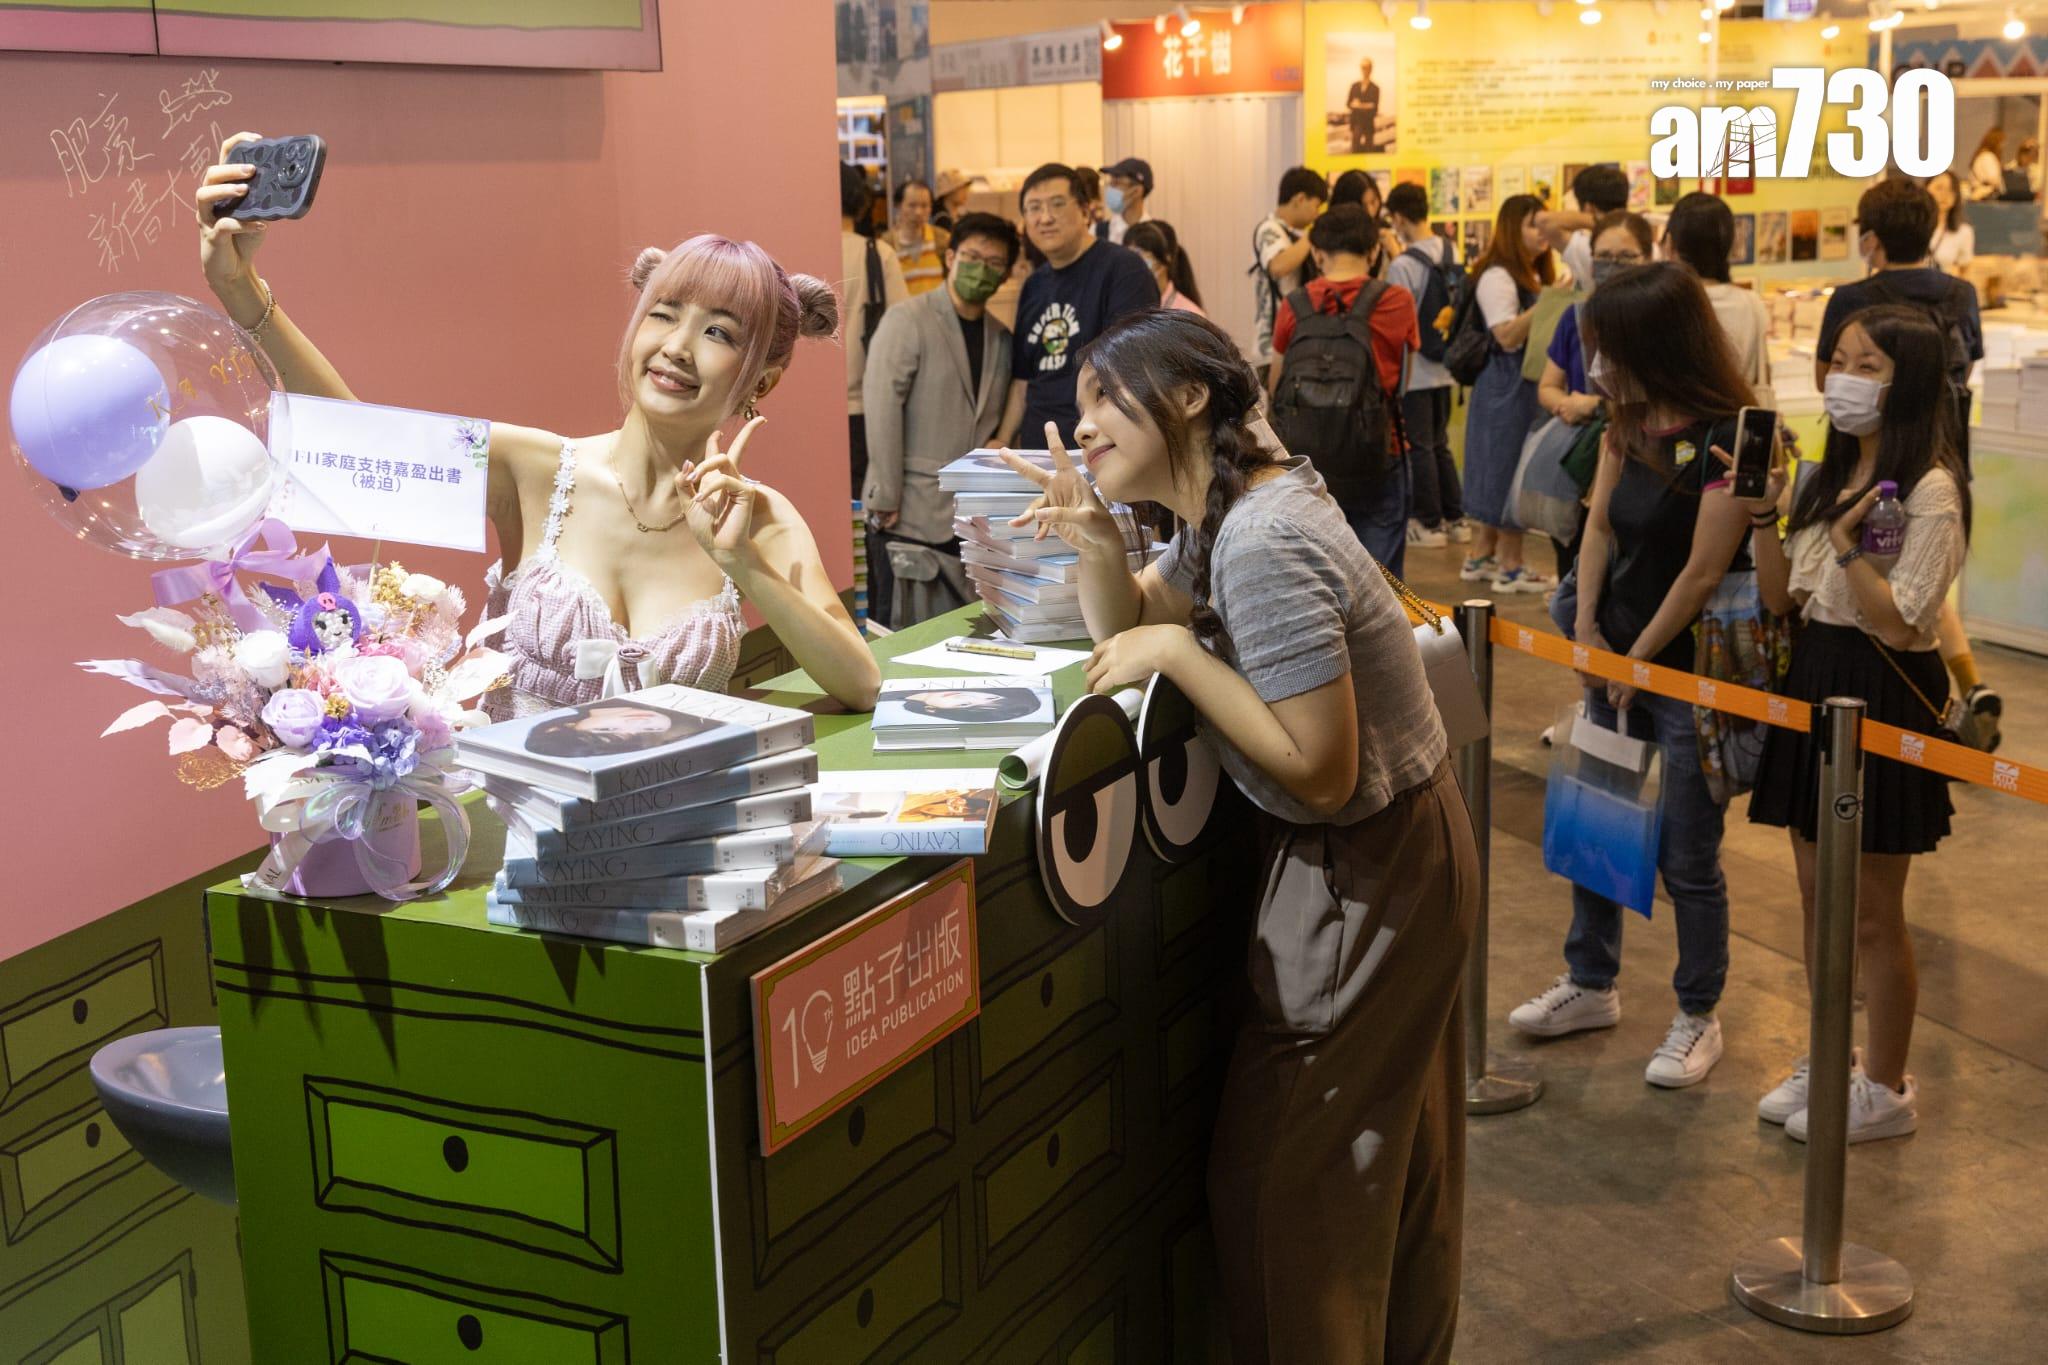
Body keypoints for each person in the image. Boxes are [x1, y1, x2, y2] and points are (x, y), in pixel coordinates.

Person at [1004, 308, 1476, 1364]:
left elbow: (1319, 767)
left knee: (1286, 1187)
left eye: (1100, 401)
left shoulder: (1261, 536)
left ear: (1183, 400)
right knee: (1376, 1165)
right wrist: (1094, 539)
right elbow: (1126, 619)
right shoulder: (1230, 505)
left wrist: (1178, 653)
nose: (1079, 428)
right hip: (1391, 851)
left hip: (1366, 863)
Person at [197, 135, 881, 716]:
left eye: (718, 331)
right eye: (665, 312)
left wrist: (743, 564)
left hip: (674, 845)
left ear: (761, 380)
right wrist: (241, 291)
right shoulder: (536, 469)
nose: (676, 345)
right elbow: (361, 446)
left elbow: (861, 683)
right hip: (519, 841)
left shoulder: (760, 521)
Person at [1508, 262, 1756, 1089]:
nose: (1596, 366)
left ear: (1656, 342)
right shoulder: (1623, 424)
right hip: (1609, 657)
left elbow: (1701, 571)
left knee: (1689, 855)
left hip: (1687, 677)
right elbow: (1600, 531)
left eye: (1607, 349)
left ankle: (1697, 1011)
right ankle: (1590, 982)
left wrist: (1638, 659)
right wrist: (1585, 630)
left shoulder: (1738, 434)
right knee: (1596, 829)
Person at [1742, 304, 1971, 1143]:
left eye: (1866, 365)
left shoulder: (1929, 489)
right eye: (1839, 360)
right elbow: (1780, 600)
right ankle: (1828, 1053)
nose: (1843, 377)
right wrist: (1768, 516)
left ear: (1905, 381)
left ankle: (1885, 1083)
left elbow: (1904, 623)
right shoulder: (1827, 476)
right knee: (1813, 895)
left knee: (1874, 907)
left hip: (1881, 689)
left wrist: (1845, 548)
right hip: (1817, 674)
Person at [1815, 177, 1998, 746]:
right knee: (1924, 580)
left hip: (1875, 460)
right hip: (1943, 451)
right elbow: (1966, 369)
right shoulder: (1960, 293)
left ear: (1870, 238)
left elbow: (1828, 380)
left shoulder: (1853, 300)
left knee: (1876, 581)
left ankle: (1939, 693)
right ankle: (1967, 685)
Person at [862, 213, 1020, 628]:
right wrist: (885, 495)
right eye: (971, 256)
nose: (980, 269)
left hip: (971, 519)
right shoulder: (907, 319)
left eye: (993, 263)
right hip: (910, 512)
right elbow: (881, 405)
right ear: (950, 257)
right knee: (902, 634)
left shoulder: (1002, 339)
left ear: (1004, 275)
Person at [1269, 205, 1420, 573]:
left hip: (1307, 465)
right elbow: (1403, 383)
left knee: (1316, 575)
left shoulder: (1295, 304)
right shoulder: (1397, 300)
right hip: (1378, 454)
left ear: (1318, 253)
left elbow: (1276, 385)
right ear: (1373, 251)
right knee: (1383, 585)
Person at [1000, 163, 1159, 448]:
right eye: (1034, 208)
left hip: (1097, 449)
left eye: (1057, 205)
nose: (1045, 218)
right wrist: (1002, 439)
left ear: (1086, 211)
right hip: (1037, 452)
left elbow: (1132, 371)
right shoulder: (1033, 285)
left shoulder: (1123, 269)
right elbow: (1022, 382)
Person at [1536, 209, 1652, 590]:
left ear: (1647, 259)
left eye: (1624, 257)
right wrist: (1567, 404)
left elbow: (1660, 398)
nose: (1611, 266)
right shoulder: (1577, 316)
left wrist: (1598, 406)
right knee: (1575, 567)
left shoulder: (1657, 318)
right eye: (1602, 257)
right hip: (1581, 464)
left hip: (1640, 464)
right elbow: (1547, 385)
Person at [1460, 193, 1559, 594]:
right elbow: (1506, 335)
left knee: (1499, 465)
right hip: (1507, 386)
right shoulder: (1498, 276)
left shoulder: (1527, 275)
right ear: (1513, 228)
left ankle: (1481, 556)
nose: (1544, 233)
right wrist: (1550, 303)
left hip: (1515, 386)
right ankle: (1511, 564)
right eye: (1535, 224)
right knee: (1508, 467)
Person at [1386, 182, 1467, 550]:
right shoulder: (1451, 249)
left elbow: (1399, 322)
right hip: (1448, 363)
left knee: (1419, 444)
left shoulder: (1403, 265)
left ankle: (1429, 523)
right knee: (1440, 443)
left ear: (1400, 217)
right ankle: (1456, 518)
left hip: (1416, 368)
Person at [1664, 192, 1772, 403]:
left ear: (1670, 244)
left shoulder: (1667, 305)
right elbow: (1763, 377)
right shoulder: (1751, 303)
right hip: (1736, 426)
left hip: (1684, 432)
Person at [843, 161, 910, 499]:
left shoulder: (800, 247)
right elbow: (902, 330)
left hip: (805, 406)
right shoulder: (876, 253)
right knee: (859, 507)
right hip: (865, 408)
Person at [1252, 167, 1330, 368]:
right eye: (1316, 206)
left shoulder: (1293, 235)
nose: (1316, 214)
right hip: (1273, 347)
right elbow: (1278, 266)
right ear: (1300, 199)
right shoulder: (1269, 229)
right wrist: (1313, 236)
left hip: (1295, 341)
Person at [1536, 163, 1631, 289]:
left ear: (1588, 207)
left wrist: (1603, 221)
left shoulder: (1587, 250)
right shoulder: (1648, 245)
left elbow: (1543, 220)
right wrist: (1615, 221)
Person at [1125, 220, 1206, 316]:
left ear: (1165, 258)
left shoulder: (1189, 314)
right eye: (1128, 257)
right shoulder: (1125, 304)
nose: (1132, 266)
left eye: (1139, 256)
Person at [891, 178, 950, 297]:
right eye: (912, 205)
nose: (918, 212)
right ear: (898, 206)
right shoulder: (887, 245)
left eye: (924, 206)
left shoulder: (943, 240)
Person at [1925, 170, 1975, 274]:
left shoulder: (1963, 232)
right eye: (1939, 188)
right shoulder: (1911, 226)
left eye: (1951, 190)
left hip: (1945, 287)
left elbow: (1964, 273)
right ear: (1925, 189)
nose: (1945, 194)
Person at [1097, 156, 1154, 246]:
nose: (1110, 189)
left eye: (1117, 183)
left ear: (1136, 191)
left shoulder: (1156, 235)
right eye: (1110, 183)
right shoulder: (1099, 231)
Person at [1346, 57, 1385, 154]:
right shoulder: (1354, 86)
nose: (1364, 70)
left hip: (1368, 125)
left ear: (1371, 69)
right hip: (1356, 124)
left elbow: (1374, 108)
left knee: (1369, 152)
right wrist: (1366, 106)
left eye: (1367, 67)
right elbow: (1348, 104)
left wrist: (1358, 105)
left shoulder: (1375, 88)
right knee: (1354, 151)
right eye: (1362, 67)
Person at [931, 167, 974, 234]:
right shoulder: (941, 220)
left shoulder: (962, 216)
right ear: (949, 192)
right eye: (961, 189)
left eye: (966, 189)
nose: (966, 193)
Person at [1968, 127, 2006, 199]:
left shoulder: (1981, 155)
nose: (2003, 146)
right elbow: (1993, 180)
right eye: (2002, 142)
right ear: (1996, 142)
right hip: (1986, 197)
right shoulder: (1988, 157)